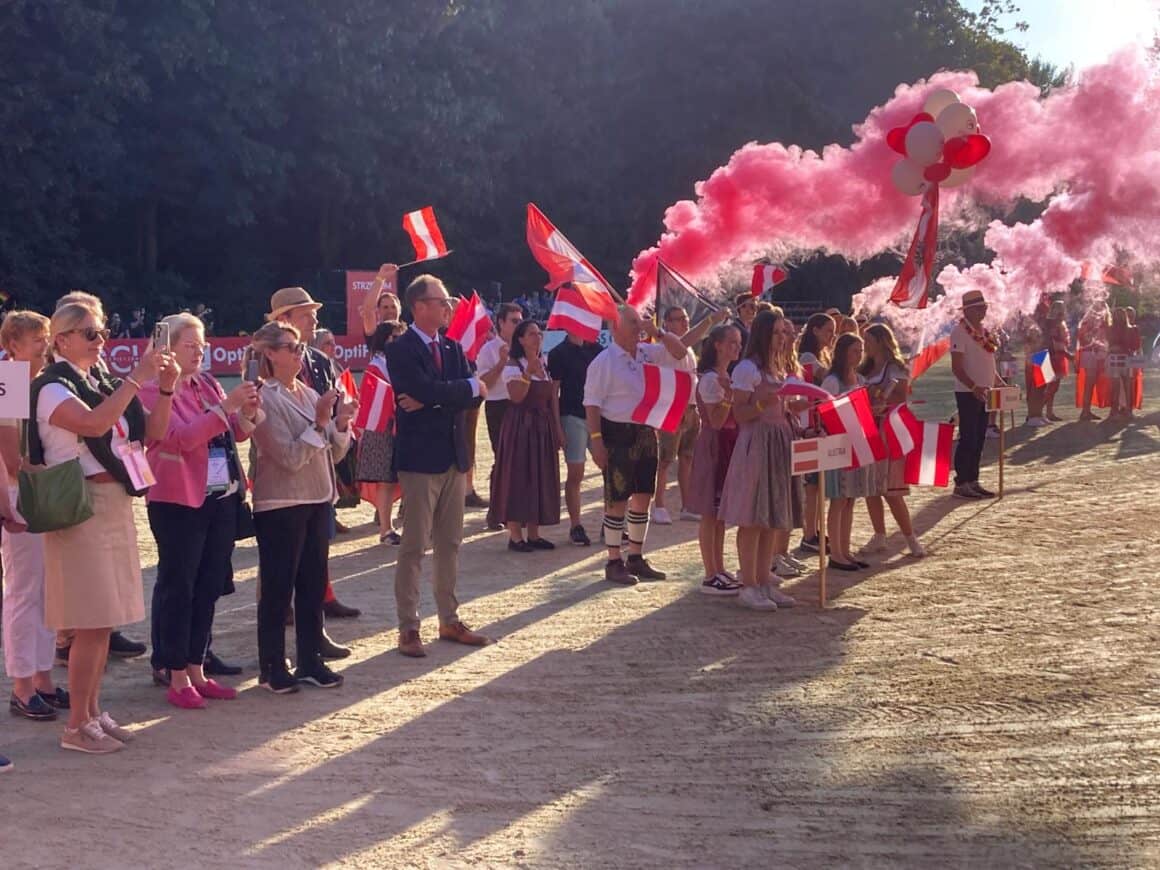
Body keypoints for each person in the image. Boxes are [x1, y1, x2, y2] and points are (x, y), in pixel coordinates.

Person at [31, 301, 179, 753]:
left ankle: (92, 713)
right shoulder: (51, 386)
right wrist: (137, 377)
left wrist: (167, 389)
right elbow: (95, 422)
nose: (101, 341)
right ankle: (76, 725)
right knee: (91, 622)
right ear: (62, 340)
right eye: (91, 334)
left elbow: (151, 432)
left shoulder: (98, 381)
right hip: (82, 505)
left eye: (102, 332)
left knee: (105, 619)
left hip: (111, 499)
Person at [140, 313, 261, 708]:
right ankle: (175, 674)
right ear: (168, 348)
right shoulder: (152, 390)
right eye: (190, 345)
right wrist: (226, 407)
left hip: (219, 496)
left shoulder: (207, 383)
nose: (200, 351)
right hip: (178, 500)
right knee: (180, 588)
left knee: (209, 585)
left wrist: (246, 412)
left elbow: (234, 433)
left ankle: (197, 667)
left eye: (202, 344)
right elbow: (178, 439)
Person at [385, 274, 492, 658]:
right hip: (419, 461)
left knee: (450, 542)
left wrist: (441, 396)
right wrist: (456, 391)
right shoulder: (401, 348)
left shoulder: (451, 347)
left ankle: (449, 618)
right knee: (414, 545)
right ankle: (408, 627)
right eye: (442, 300)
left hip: (452, 456)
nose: (448, 307)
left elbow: (468, 396)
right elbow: (433, 389)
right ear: (419, 306)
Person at [247, 322, 355, 693]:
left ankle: (310, 660)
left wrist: (341, 423)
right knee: (278, 589)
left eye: (300, 347)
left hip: (317, 498)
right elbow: (288, 457)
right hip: (280, 502)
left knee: (311, 587)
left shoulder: (308, 393)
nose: (299, 353)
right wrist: (322, 422)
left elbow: (335, 452)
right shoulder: (261, 397)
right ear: (270, 354)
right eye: (291, 347)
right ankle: (272, 666)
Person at [268, 286, 360, 620]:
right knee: (281, 546)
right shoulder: (263, 362)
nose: (314, 319)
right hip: (283, 463)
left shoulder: (320, 361)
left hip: (320, 455)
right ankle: (281, 603)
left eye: (313, 312)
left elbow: (334, 402)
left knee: (318, 538)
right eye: (306, 314)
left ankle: (322, 594)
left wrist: (342, 420)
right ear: (284, 319)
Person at [584, 305, 692, 585]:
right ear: (616, 327)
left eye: (639, 322)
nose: (639, 327)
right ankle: (612, 560)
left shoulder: (647, 351)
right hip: (616, 432)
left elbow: (680, 352)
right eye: (633, 323)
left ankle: (635, 555)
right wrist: (596, 442)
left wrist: (657, 331)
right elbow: (592, 405)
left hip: (645, 430)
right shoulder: (604, 361)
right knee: (617, 498)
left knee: (643, 495)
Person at [1, 311, 67, 724]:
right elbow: (9, 452)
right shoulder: (9, 377)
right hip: (18, 492)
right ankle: (22, 685)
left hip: (31, 492)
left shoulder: (36, 380)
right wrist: (33, 480)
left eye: (45, 337)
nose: (45, 345)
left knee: (45, 588)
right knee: (25, 590)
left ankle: (41, 677)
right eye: (36, 339)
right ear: (14, 345)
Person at [717, 309, 805, 611]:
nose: (784, 338)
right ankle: (749, 585)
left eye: (785, 332)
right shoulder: (747, 369)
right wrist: (762, 404)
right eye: (778, 332)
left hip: (779, 440)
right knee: (753, 516)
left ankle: (765, 581)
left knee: (772, 516)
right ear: (765, 334)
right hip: (757, 443)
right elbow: (739, 413)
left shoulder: (779, 368)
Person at [488, 320, 563, 550]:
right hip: (521, 426)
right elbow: (516, 397)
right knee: (518, 477)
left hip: (542, 426)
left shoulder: (545, 363)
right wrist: (528, 373)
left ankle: (534, 533)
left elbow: (552, 399)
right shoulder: (513, 365)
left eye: (539, 333)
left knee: (539, 477)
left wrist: (557, 429)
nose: (537, 337)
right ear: (520, 339)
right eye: (531, 334)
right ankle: (515, 535)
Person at [652, 305, 726, 524]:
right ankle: (659, 505)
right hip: (672, 407)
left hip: (691, 407)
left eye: (685, 318)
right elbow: (683, 344)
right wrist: (711, 320)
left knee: (687, 458)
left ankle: (687, 505)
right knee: (665, 460)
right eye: (678, 319)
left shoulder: (689, 348)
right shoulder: (665, 346)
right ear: (666, 323)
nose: (684, 322)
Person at [685, 324, 744, 596]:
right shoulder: (711, 379)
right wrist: (731, 397)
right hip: (715, 444)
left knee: (719, 514)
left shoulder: (723, 375)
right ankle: (711, 573)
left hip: (727, 444)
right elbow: (717, 421)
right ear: (717, 345)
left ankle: (719, 568)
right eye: (732, 342)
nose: (737, 347)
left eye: (739, 342)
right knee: (711, 512)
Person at [860, 323, 924, 557]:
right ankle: (879, 535)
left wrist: (879, 395)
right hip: (868, 429)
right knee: (871, 487)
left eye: (868, 340)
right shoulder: (864, 368)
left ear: (880, 341)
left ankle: (910, 537)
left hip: (889, 431)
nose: (865, 344)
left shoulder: (895, 367)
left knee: (892, 490)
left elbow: (902, 394)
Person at [820, 334, 873, 570]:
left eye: (861, 350)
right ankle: (836, 553)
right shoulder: (832, 380)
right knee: (839, 499)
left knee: (850, 498)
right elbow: (823, 412)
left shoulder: (859, 378)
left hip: (856, 442)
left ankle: (845, 549)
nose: (859, 355)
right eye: (855, 350)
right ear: (843, 352)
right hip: (839, 443)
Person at [547, 332, 601, 545]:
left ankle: (612, 523)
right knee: (575, 473)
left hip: (596, 416)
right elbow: (554, 392)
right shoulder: (558, 353)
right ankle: (576, 525)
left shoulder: (596, 349)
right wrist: (558, 426)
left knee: (609, 468)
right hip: (572, 416)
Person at [357, 320, 406, 544]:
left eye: (401, 337)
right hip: (383, 429)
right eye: (394, 337)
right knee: (386, 481)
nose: (398, 342)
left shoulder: (406, 361)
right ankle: (386, 529)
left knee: (407, 479)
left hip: (406, 425)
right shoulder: (376, 365)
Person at [950, 290, 999, 499]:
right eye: (980, 307)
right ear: (968, 310)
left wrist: (1000, 383)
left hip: (985, 392)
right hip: (968, 392)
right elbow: (957, 367)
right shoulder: (959, 332)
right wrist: (973, 386)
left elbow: (988, 362)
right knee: (968, 437)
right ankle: (961, 482)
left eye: (985, 306)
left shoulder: (984, 332)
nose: (984, 310)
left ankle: (973, 480)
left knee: (979, 437)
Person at [476, 304, 523, 511]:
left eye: (520, 321)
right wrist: (501, 363)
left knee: (521, 458)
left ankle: (516, 508)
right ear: (501, 323)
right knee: (502, 458)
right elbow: (483, 382)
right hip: (498, 406)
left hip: (520, 404)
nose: (518, 324)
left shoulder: (524, 347)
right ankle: (496, 509)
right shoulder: (488, 349)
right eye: (514, 321)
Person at [795, 313, 836, 554]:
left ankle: (814, 529)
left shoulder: (821, 355)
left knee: (818, 484)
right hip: (810, 422)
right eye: (828, 331)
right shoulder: (809, 356)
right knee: (812, 485)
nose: (832, 336)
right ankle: (809, 533)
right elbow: (824, 378)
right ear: (815, 331)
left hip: (819, 422)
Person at [1076, 303, 1111, 422]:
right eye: (1098, 307)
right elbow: (1083, 339)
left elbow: (1106, 339)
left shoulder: (1105, 322)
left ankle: (1087, 410)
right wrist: (1093, 338)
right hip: (1090, 354)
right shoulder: (1087, 323)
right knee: (1089, 383)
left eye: (1102, 308)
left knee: (1094, 382)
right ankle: (1085, 411)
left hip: (1101, 353)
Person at [1043, 300, 1072, 421]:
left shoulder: (1059, 323)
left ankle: (1048, 412)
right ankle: (1037, 410)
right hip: (1052, 356)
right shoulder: (1052, 324)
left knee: (1053, 387)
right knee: (1050, 386)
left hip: (1057, 355)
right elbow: (1054, 341)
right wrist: (1067, 354)